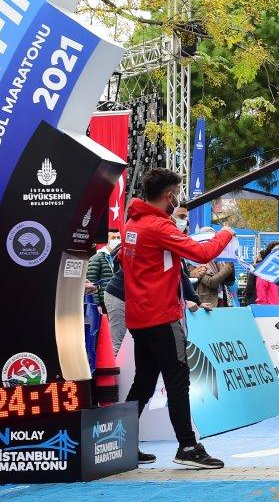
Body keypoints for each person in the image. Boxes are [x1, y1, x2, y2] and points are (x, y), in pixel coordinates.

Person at [122, 168, 235, 470]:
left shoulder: (132, 223)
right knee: (177, 380)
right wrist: (226, 233)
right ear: (169, 196)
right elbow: (202, 253)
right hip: (161, 315)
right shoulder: (158, 227)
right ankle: (187, 445)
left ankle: (122, 444)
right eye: (177, 195)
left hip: (140, 316)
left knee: (144, 382)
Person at [87, 229, 121, 314]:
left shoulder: (120, 257)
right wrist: (96, 304)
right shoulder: (97, 258)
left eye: (118, 237)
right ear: (107, 240)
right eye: (113, 238)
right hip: (103, 302)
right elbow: (92, 282)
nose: (116, 240)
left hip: (118, 300)